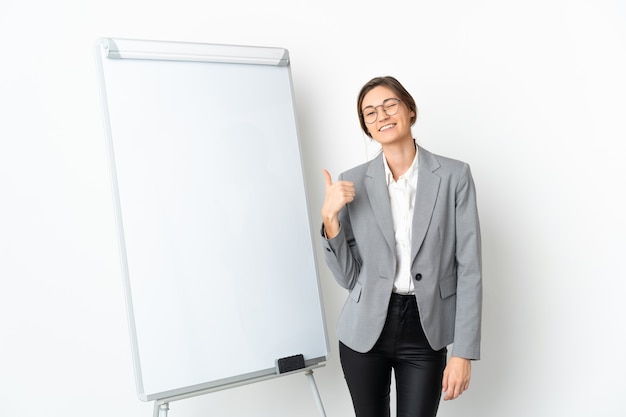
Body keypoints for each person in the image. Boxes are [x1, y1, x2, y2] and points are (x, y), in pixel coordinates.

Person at [320, 76, 482, 417]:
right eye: (370, 113)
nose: (381, 116)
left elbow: (470, 268)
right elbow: (350, 278)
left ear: (409, 109)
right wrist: (330, 219)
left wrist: (463, 352)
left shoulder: (454, 176)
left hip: (426, 330)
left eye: (389, 105)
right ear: (367, 126)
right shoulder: (353, 181)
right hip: (364, 332)